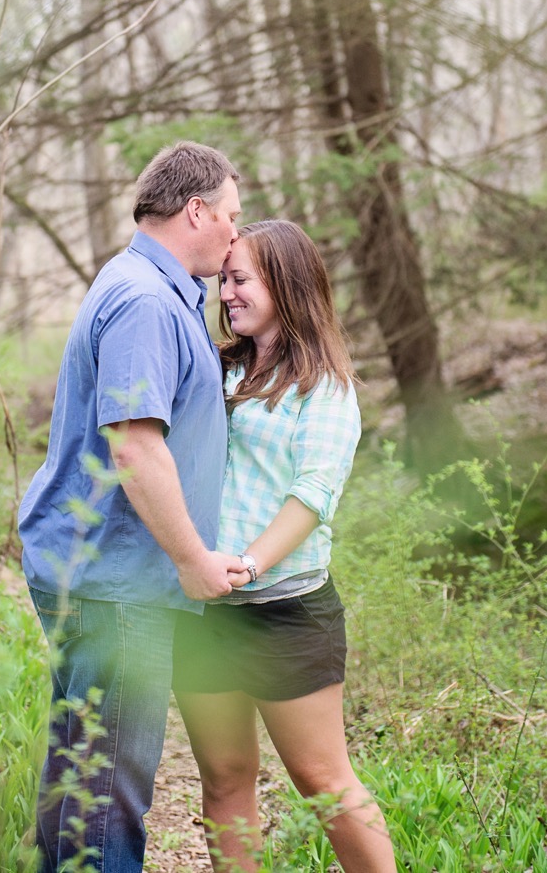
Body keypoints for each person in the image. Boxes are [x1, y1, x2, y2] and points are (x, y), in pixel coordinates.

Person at [18, 140, 247, 873]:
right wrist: (193, 560)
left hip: (107, 577)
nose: (237, 236)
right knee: (106, 792)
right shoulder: (147, 301)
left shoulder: (153, 289)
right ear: (197, 209)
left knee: (82, 778)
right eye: (232, 219)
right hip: (118, 585)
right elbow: (136, 447)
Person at [173, 220, 398, 873]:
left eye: (241, 280)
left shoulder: (325, 387)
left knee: (324, 783)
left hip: (287, 614)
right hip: (205, 614)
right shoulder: (220, 368)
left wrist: (248, 565)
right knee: (224, 777)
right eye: (224, 280)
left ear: (288, 286)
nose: (228, 293)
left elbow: (313, 494)